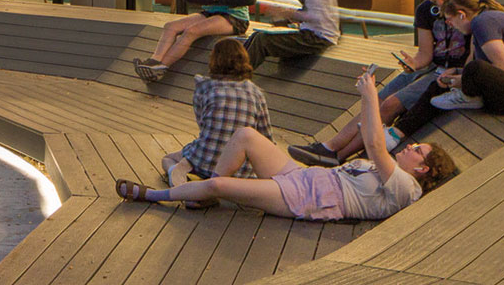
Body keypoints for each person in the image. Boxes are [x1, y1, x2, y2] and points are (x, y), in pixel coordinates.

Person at [119, 65, 458, 220]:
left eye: (418, 151)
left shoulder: (406, 189)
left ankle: (154, 196)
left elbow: (373, 142)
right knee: (245, 136)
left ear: (424, 169)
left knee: (221, 183)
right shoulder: (388, 173)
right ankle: (208, 194)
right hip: (305, 176)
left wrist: (370, 95)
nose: (411, 148)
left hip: (305, 198)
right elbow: (372, 147)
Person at [291, 0, 469, 166]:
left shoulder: (467, 8)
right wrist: (413, 63)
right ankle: (330, 146)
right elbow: (426, 54)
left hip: (447, 73)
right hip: (431, 67)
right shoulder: (426, 10)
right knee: (375, 99)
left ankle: (340, 155)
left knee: (391, 104)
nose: (439, 2)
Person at [396, 0, 504, 127]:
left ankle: (467, 95)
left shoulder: (483, 22)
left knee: (475, 68)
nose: (450, 24)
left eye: (450, 19)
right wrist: (458, 73)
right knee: (439, 84)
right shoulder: (483, 23)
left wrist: (463, 81)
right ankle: (398, 132)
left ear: (461, 14)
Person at [165, 38, 272, 186]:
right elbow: (265, 136)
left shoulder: (204, 87)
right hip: (241, 169)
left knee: (168, 158)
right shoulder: (256, 92)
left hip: (206, 159)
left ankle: (177, 175)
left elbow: (203, 125)